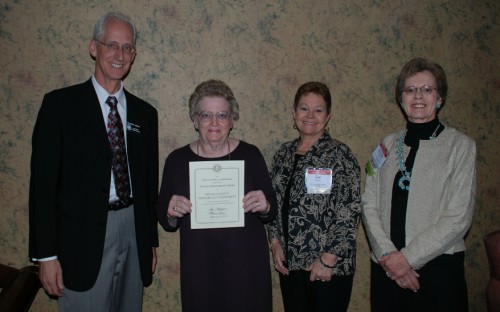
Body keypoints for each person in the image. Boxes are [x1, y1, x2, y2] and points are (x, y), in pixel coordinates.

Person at [28, 12, 159, 312]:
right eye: (111, 44)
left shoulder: (145, 114)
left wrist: (149, 241)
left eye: (127, 47)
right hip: (80, 239)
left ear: (134, 55)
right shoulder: (59, 106)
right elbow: (43, 188)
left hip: (132, 230)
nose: (119, 54)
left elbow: (149, 184)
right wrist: (46, 257)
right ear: (93, 47)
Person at [362, 57, 476, 311]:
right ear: (401, 99)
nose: (418, 96)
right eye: (410, 90)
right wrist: (390, 259)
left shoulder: (460, 146)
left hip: (438, 271)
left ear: (440, 98)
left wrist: (408, 259)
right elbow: (368, 203)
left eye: (427, 90)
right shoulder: (386, 145)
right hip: (386, 268)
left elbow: (458, 216)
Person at [156, 79, 277, 312]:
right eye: (205, 115)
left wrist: (265, 206)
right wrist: (171, 213)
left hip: (247, 268)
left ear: (232, 120)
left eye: (222, 115)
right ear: (194, 119)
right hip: (200, 268)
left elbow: (271, 207)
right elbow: (164, 216)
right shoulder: (177, 160)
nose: (214, 123)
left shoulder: (251, 155)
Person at [267, 81, 361, 312]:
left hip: (328, 266)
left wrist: (328, 259)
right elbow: (273, 204)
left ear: (328, 116)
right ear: (294, 113)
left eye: (318, 110)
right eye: (304, 108)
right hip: (291, 264)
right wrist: (275, 242)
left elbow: (349, 210)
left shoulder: (340, 154)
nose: (310, 115)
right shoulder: (283, 154)